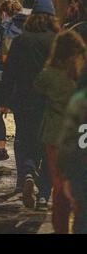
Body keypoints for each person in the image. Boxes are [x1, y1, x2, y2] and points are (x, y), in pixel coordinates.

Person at [0, 0, 59, 209]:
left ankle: (27, 175)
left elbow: (9, 73)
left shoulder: (21, 40)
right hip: (51, 104)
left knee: (26, 141)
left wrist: (3, 100)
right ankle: (44, 195)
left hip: (24, 102)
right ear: (52, 16)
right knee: (48, 148)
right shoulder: (58, 41)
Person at [34, 31, 86, 233]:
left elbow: (37, 86)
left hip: (55, 135)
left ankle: (61, 229)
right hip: (81, 135)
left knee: (59, 186)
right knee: (81, 183)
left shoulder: (50, 74)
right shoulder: (79, 77)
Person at [0, 0, 23, 162]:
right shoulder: (26, 30)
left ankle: (1, 149)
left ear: (3, 13)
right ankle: (23, 148)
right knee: (20, 114)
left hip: (1, 77)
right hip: (21, 79)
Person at [58, 88, 87, 234]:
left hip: (82, 172)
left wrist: (67, 175)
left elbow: (68, 143)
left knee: (82, 220)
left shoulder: (80, 101)